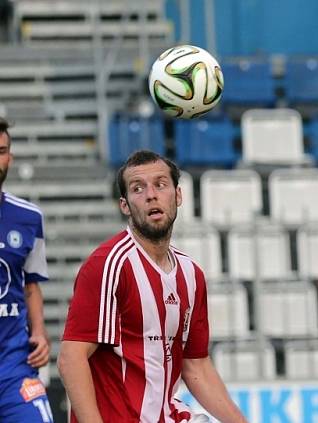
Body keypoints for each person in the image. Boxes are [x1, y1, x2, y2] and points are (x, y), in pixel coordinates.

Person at [57, 150, 246, 423]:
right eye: (138, 188)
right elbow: (71, 359)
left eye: (160, 185)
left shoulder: (191, 274)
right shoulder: (108, 264)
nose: (151, 195)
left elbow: (196, 367)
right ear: (125, 205)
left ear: (178, 196)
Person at [0, 117, 53, 422]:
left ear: (10, 157)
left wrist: (41, 333)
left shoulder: (29, 218)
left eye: (1, 150)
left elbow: (31, 285)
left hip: (14, 367)